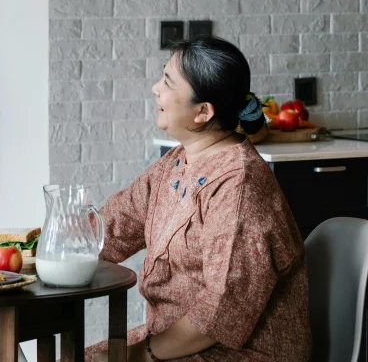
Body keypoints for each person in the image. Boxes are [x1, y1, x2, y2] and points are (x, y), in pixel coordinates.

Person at [87, 36, 311, 362]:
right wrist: (35, 250)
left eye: (167, 82)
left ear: (203, 112)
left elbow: (222, 311)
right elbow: (114, 225)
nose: (155, 89)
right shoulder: (177, 162)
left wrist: (144, 353)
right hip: (175, 344)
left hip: (238, 353)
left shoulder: (240, 185)